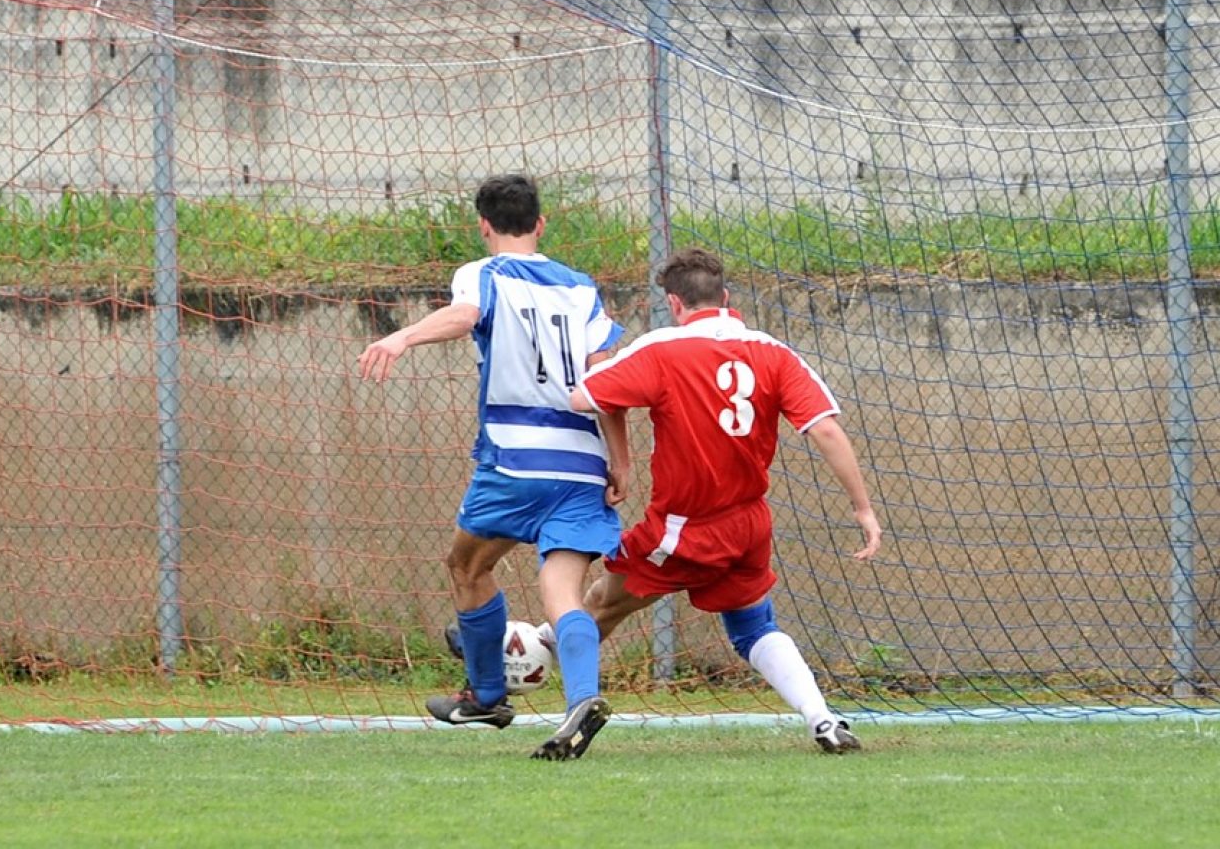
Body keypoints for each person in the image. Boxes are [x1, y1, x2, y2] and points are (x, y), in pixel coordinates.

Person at [567, 246, 884, 753]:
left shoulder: (662, 350)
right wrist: (863, 508)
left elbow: (585, 396)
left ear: (674, 303)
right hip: (749, 524)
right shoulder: (774, 352)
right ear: (726, 298)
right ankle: (823, 719)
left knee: (598, 603)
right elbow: (825, 430)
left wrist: (618, 441)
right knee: (753, 624)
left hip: (684, 527)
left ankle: (528, 677)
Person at [358, 173, 629, 761]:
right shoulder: (582, 289)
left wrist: (402, 338)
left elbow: (464, 314)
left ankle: (486, 694)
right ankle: (582, 697)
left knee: (466, 564)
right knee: (564, 593)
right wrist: (622, 462)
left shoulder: (482, 274)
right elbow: (606, 379)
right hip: (584, 462)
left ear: (483, 226)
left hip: (513, 458)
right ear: (542, 224)